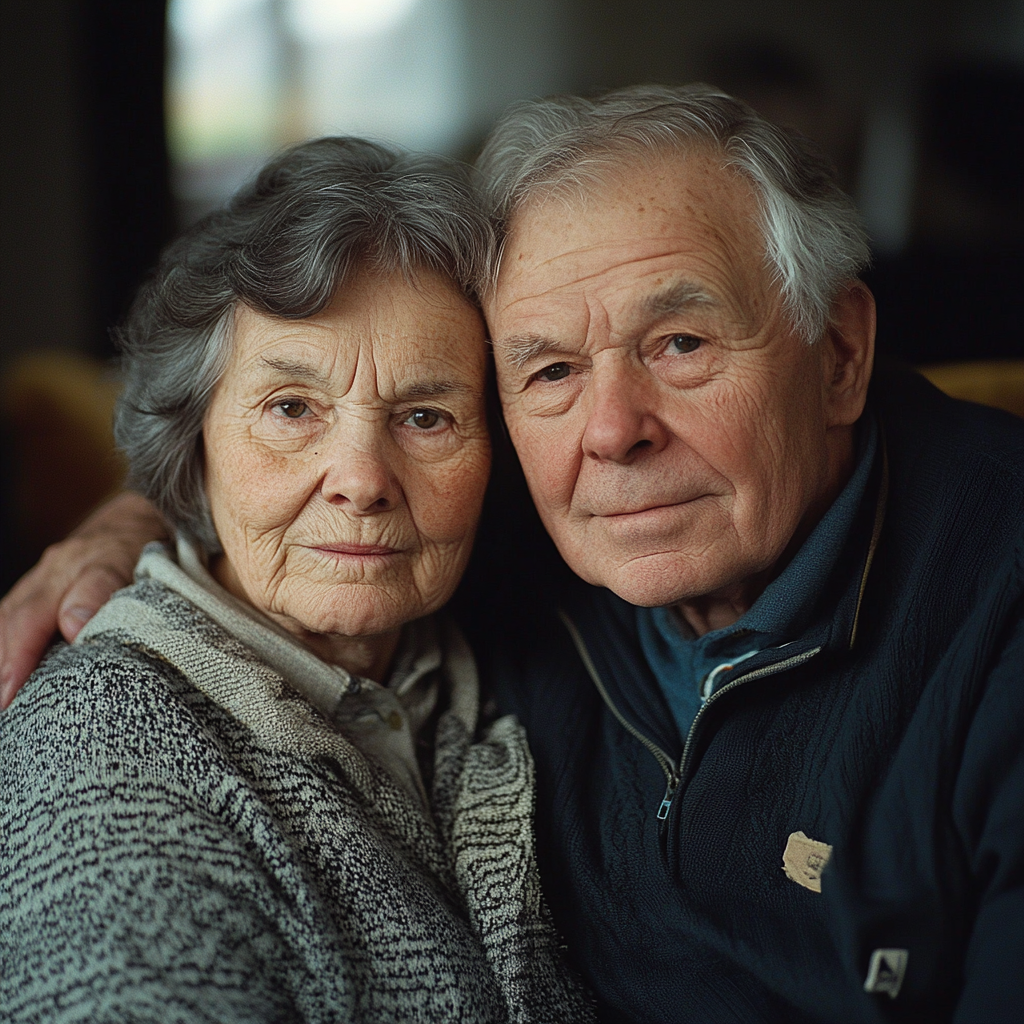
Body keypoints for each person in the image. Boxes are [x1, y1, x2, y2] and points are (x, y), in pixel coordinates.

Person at [3, 85, 1023, 1022]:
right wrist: (144, 518)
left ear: (840, 354)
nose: (610, 430)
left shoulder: (989, 599)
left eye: (680, 344)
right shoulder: (123, 756)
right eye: (549, 371)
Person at [0, 137, 591, 1023]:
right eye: (291, 409)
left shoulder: (504, 634)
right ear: (194, 443)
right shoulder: (106, 764)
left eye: (427, 417)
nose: (362, 478)